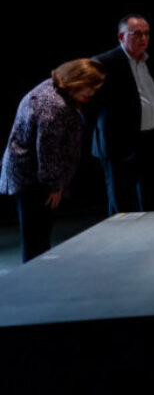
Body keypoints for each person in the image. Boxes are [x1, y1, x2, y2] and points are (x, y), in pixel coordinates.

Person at [1, 59, 106, 262]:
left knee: (39, 237)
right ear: (77, 81)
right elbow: (48, 153)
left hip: (35, 177)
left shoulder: (57, 89)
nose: (92, 93)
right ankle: (33, 284)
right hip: (33, 180)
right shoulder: (52, 104)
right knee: (36, 240)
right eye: (90, 87)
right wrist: (56, 186)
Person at [90, 15, 154, 215]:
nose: (144, 38)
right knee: (122, 203)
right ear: (121, 36)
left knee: (152, 198)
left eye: (147, 33)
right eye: (137, 34)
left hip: (150, 139)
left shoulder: (150, 60)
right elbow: (89, 105)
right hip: (119, 146)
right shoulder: (104, 63)